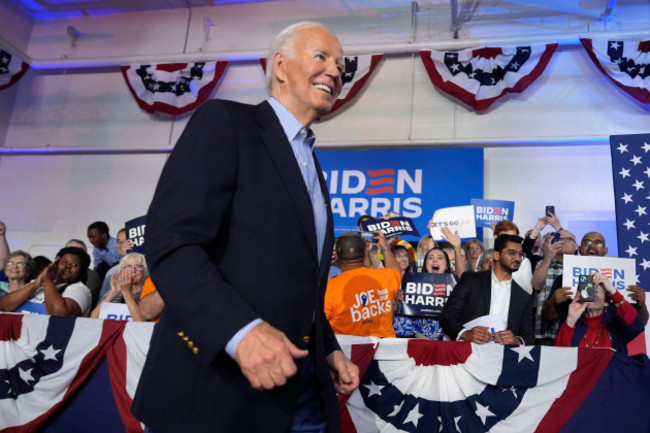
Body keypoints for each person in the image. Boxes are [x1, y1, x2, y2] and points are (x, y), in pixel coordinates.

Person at [131, 22, 359, 433]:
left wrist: (328, 350)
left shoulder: (311, 165)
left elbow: (299, 283)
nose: (335, 72)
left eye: (342, 66)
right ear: (281, 65)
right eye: (322, 57)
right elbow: (172, 243)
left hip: (301, 395)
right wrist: (240, 332)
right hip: (216, 396)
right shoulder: (226, 122)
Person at [440, 234, 534, 345]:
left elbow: (529, 337)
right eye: (512, 253)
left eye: (520, 254)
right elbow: (447, 317)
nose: (518, 258)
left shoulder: (523, 296)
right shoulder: (471, 280)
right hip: (468, 355)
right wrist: (465, 334)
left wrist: (517, 340)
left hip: (502, 358)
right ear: (496, 255)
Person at [542, 232, 649, 326]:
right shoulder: (564, 279)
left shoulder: (623, 278)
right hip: (574, 339)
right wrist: (553, 302)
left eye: (598, 243)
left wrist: (641, 305)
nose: (592, 246)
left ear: (605, 250)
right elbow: (547, 318)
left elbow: (641, 323)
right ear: (579, 249)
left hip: (612, 339)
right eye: (587, 242)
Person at [324, 231, 401, 337]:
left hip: (347, 351)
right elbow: (395, 269)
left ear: (336, 256)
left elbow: (319, 324)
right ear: (365, 254)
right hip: (384, 351)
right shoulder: (384, 277)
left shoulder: (329, 289)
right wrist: (385, 247)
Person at [555, 273, 644, 355]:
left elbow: (638, 326)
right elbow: (559, 356)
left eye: (596, 292)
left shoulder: (617, 324)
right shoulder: (572, 325)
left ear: (606, 302)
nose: (592, 295)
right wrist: (570, 320)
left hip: (612, 371)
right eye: (588, 291)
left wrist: (613, 292)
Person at [0, 247, 92, 317]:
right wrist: (35, 284)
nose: (67, 266)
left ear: (81, 270)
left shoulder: (79, 289)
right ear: (56, 263)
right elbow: (4, 306)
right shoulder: (36, 284)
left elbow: (60, 315)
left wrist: (48, 280)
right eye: (64, 262)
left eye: (73, 264)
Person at [394, 247, 458, 339]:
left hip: (445, 342)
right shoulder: (411, 285)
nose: (435, 260)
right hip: (415, 342)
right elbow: (401, 329)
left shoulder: (456, 287)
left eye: (440, 258)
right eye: (430, 258)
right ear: (425, 264)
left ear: (447, 265)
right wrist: (400, 304)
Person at [531, 229, 577, 345]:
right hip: (546, 333)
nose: (562, 242)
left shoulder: (583, 267)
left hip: (575, 333)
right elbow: (536, 285)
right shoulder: (543, 264)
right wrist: (548, 257)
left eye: (567, 239)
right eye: (559, 239)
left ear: (576, 246)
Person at [91, 252, 148, 321]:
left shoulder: (148, 292)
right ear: (121, 270)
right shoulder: (114, 291)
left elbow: (141, 322)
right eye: (128, 267)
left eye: (138, 267)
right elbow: (93, 318)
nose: (133, 270)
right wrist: (113, 292)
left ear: (144, 270)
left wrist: (126, 292)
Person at [493, 220, 533, 294]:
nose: (510, 241)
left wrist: (509, 272)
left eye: (513, 238)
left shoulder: (523, 261)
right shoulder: (486, 257)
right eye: (505, 238)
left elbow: (528, 291)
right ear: (496, 238)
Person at [97, 228, 133, 301]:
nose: (122, 245)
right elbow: (101, 302)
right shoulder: (112, 272)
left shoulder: (147, 268)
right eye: (119, 241)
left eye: (126, 242)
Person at [65, 238, 102, 308]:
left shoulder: (91, 276)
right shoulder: (55, 273)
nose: (73, 256)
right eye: (70, 251)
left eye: (78, 252)